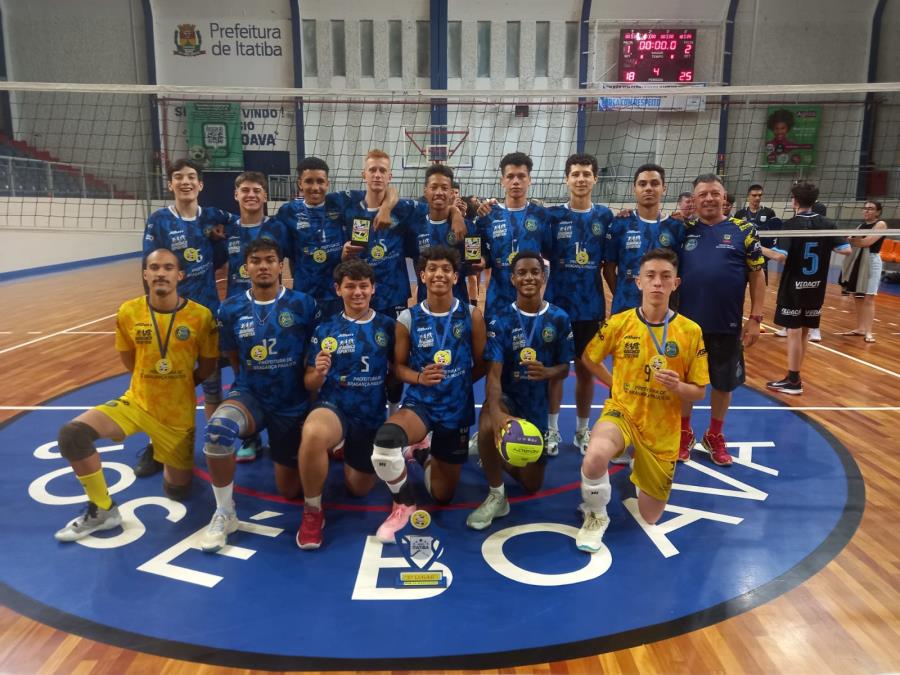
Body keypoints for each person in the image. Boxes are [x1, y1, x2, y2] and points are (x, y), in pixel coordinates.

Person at [54, 249, 219, 541]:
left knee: (178, 491)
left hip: (176, 416)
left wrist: (178, 384)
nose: (160, 273)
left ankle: (160, 447)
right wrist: (150, 381)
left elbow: (207, 366)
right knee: (72, 435)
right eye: (154, 267)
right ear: (145, 274)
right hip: (137, 402)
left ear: (179, 276)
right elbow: (128, 359)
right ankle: (103, 508)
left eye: (168, 267)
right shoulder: (129, 312)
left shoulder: (201, 316)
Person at [575, 248, 709, 552]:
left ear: (676, 283)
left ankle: (642, 467)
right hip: (623, 411)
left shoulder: (690, 331)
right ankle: (595, 515)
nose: (657, 283)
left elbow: (699, 391)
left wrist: (678, 387)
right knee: (594, 456)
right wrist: (614, 383)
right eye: (650, 276)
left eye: (665, 277)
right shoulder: (620, 323)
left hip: (662, 429)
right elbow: (588, 357)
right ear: (639, 282)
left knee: (650, 517)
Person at [199, 239, 318, 552]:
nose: (263, 266)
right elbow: (232, 354)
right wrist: (245, 383)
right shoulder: (231, 308)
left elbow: (311, 354)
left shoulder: (303, 304)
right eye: (256, 261)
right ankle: (225, 511)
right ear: (246, 267)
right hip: (250, 394)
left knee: (290, 490)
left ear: (281, 266)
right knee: (218, 430)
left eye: (270, 260)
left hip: (291, 402)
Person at [370, 245, 486, 542]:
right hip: (420, 404)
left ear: (456, 276)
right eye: (432, 269)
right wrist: (420, 378)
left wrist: (458, 382)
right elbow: (398, 368)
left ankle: (421, 453)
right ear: (422, 276)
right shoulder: (408, 318)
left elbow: (482, 363)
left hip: (456, 410)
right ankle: (404, 504)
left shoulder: (471, 315)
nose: (439, 274)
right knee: (385, 442)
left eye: (446, 269)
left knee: (443, 496)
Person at [137, 159, 230, 477]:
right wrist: (154, 311)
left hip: (206, 315)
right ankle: (157, 446)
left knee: (213, 385)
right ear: (171, 184)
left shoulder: (215, 216)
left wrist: (221, 240)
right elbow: (147, 268)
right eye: (179, 177)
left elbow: (247, 222)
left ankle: (214, 440)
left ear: (201, 184)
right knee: (165, 384)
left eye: (191, 177)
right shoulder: (159, 221)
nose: (186, 182)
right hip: (170, 316)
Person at [467, 251, 573, 529]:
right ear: (512, 279)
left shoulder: (559, 318)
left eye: (535, 272)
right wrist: (498, 413)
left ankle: (490, 449)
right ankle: (496, 494)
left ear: (543, 277)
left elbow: (564, 368)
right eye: (522, 273)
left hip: (535, 407)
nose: (529, 277)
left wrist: (548, 372)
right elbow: (493, 375)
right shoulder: (500, 319)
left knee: (531, 485)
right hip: (508, 398)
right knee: (491, 423)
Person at [297, 260, 396, 549]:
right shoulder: (326, 329)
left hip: (370, 416)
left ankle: (343, 448)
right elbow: (309, 384)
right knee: (314, 433)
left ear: (373, 289)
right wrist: (318, 372)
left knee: (358, 488)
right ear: (338, 289)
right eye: (350, 286)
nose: (357, 292)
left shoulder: (388, 327)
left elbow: (397, 374)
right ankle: (313, 511)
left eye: (363, 286)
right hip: (334, 408)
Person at [677, 174, 765, 466]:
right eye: (702, 194)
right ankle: (683, 432)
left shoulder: (744, 230)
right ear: (694, 199)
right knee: (686, 380)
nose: (709, 198)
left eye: (714, 193)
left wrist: (755, 318)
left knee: (723, 384)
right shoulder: (683, 230)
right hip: (686, 326)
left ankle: (714, 434)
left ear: (724, 197)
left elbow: (757, 274)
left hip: (727, 323)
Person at [545, 153, 613, 455]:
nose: (581, 179)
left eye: (586, 173)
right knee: (557, 371)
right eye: (575, 174)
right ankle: (551, 430)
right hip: (558, 307)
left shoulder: (606, 217)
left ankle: (583, 431)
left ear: (595, 178)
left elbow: (611, 263)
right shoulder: (553, 216)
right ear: (566, 178)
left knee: (586, 370)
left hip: (591, 308)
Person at [223, 171, 290, 462]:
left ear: (266, 196)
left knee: (282, 368)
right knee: (243, 371)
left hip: (275, 307)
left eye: (257, 190)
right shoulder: (224, 228)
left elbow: (292, 259)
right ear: (236, 195)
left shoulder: (279, 227)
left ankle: (283, 430)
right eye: (245, 190)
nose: (251, 195)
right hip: (239, 309)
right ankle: (249, 437)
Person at [276, 156, 394, 317]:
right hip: (304, 294)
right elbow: (282, 254)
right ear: (300, 183)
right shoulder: (287, 212)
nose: (315, 187)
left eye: (320, 181)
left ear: (327, 183)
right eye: (309, 181)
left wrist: (386, 208)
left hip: (338, 294)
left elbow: (387, 191)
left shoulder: (340, 201)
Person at [762, 181, 850, 395]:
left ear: (794, 201)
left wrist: (756, 246)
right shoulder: (827, 224)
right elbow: (846, 250)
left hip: (795, 286)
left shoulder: (791, 225)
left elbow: (781, 257)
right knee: (803, 333)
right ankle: (795, 376)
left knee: (794, 332)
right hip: (816, 287)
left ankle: (793, 380)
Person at [475, 152, 553, 318]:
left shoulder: (541, 215)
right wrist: (481, 260)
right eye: (510, 176)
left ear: (529, 180)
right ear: (502, 181)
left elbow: (549, 252)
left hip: (530, 298)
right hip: (497, 299)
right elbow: (476, 251)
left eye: (521, 176)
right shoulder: (488, 215)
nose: (516, 181)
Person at [602, 163, 685, 318]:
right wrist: (623, 294)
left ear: (663, 188)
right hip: (625, 309)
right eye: (642, 184)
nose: (648, 188)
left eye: (654, 183)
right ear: (634, 189)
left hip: (663, 311)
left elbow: (681, 270)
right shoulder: (620, 224)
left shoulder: (676, 227)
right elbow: (608, 269)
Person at [840, 200, 888, 343]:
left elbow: (866, 243)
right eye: (865, 208)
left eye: (871, 209)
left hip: (872, 261)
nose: (867, 211)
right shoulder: (861, 226)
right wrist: (855, 240)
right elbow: (854, 241)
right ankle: (860, 328)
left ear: (878, 212)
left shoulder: (881, 224)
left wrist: (855, 239)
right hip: (858, 260)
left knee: (869, 297)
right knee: (857, 296)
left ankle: (869, 332)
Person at [734, 184, 782, 286]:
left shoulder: (769, 212)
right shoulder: (740, 214)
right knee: (740, 287)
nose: (757, 198)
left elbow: (773, 235)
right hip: (744, 256)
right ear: (748, 196)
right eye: (754, 195)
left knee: (760, 287)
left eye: (760, 195)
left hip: (761, 256)